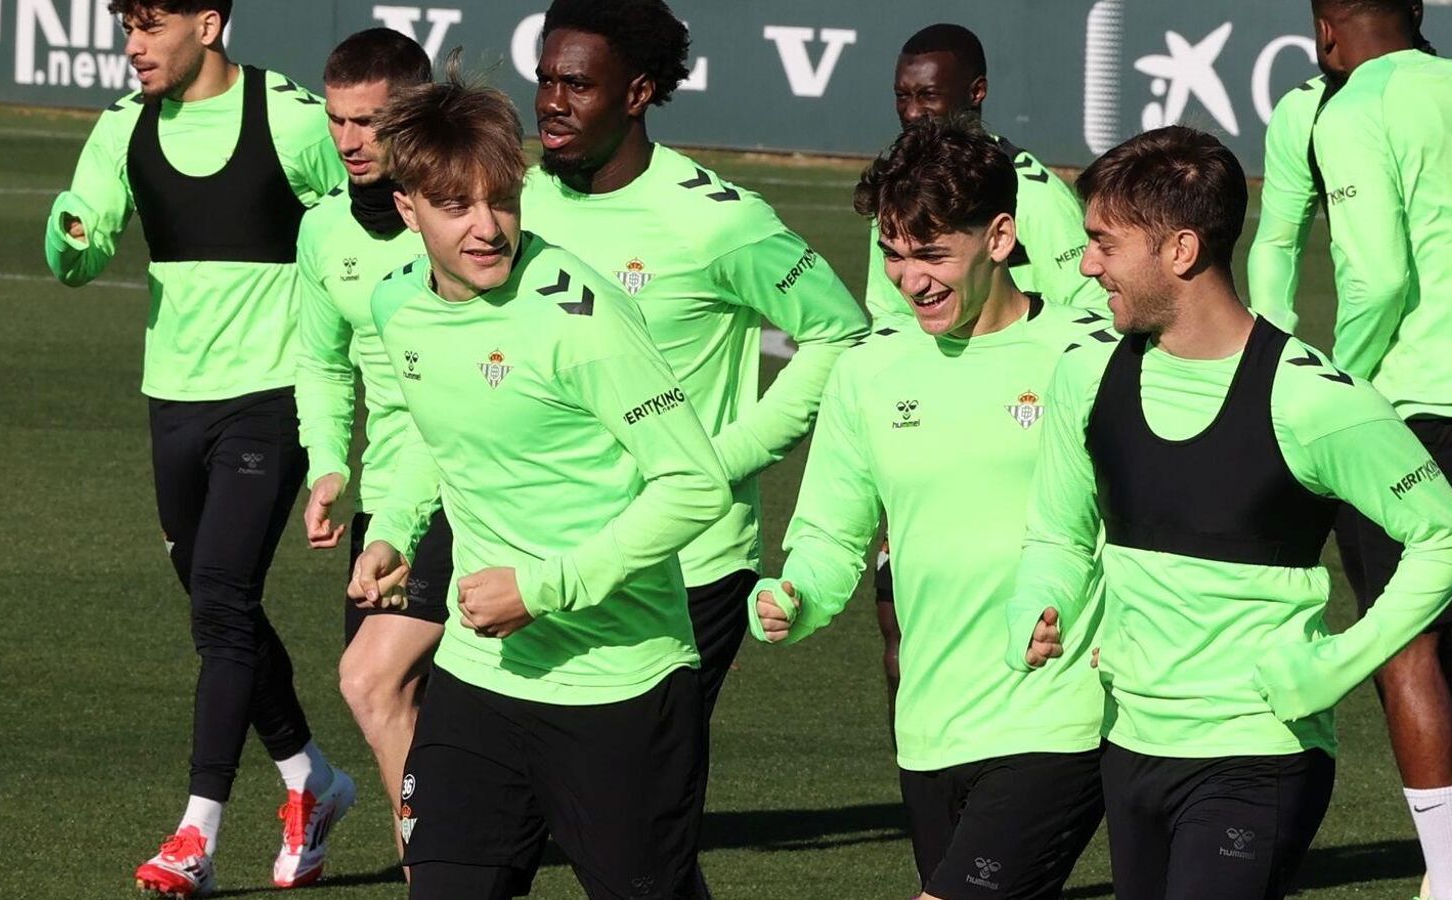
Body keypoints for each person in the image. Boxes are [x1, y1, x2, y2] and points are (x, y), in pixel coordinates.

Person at [1007, 125, 1452, 900]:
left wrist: (1337, 661)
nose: (1085, 264)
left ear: (1182, 251)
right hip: (1127, 744)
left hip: (1258, 757)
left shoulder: (1314, 399)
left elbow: (1448, 538)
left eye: (1105, 242)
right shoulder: (1084, 373)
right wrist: (1039, 598)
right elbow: (1058, 532)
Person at [351, 65, 732, 900]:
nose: (488, 228)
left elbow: (695, 485)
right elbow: (432, 426)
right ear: (407, 206)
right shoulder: (395, 307)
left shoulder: (580, 320)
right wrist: (394, 526)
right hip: (479, 682)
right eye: (457, 207)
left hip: (619, 688)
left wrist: (545, 587)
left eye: (503, 200)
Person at [749, 116, 1109, 900]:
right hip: (931, 723)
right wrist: (796, 595)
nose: (910, 279)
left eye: (933, 254)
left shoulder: (1092, 354)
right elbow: (831, 533)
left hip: (1060, 710)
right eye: (894, 254)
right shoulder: (869, 371)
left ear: (1002, 237)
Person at [42, 0, 353, 894]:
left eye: (150, 27)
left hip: (271, 397)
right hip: (170, 403)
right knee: (223, 611)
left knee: (220, 599)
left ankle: (196, 834)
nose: (132, 47)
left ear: (208, 25)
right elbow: (85, 245)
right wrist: (71, 231)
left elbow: (365, 222)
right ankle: (312, 784)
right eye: (126, 28)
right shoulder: (122, 127)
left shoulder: (292, 117)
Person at [519, 0, 868, 730]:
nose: (552, 102)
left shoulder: (719, 220)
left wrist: (723, 457)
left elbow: (841, 334)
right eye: (546, 79)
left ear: (638, 93)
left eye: (576, 85)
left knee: (637, 808)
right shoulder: (514, 204)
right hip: (545, 549)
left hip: (687, 563)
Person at [866, 23, 1106, 722]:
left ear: (975, 94)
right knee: (898, 624)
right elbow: (884, 323)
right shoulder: (898, 193)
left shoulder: (1038, 198)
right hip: (918, 433)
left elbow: (1087, 317)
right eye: (903, 96)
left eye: (929, 97)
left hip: (1022, 446)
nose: (914, 112)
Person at [1310, 1, 1452, 895]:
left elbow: (1377, 276)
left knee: (1403, 642)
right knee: (1444, 643)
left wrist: (1332, 388)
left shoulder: (1347, 107)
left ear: (1327, 33)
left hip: (1424, 405)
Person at [293, 27, 448, 865]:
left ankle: (441, 859)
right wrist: (327, 466)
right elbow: (320, 363)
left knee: (373, 680)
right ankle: (437, 859)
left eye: (370, 121)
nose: (350, 141)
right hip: (390, 501)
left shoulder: (465, 219)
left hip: (479, 491)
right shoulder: (322, 233)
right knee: (395, 696)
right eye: (337, 121)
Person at [1245, 0, 1429, 334]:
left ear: (1323, 30)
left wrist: (1344, 374)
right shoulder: (1302, 111)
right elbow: (1278, 246)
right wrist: (1268, 354)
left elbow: (1380, 286)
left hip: (1392, 373)